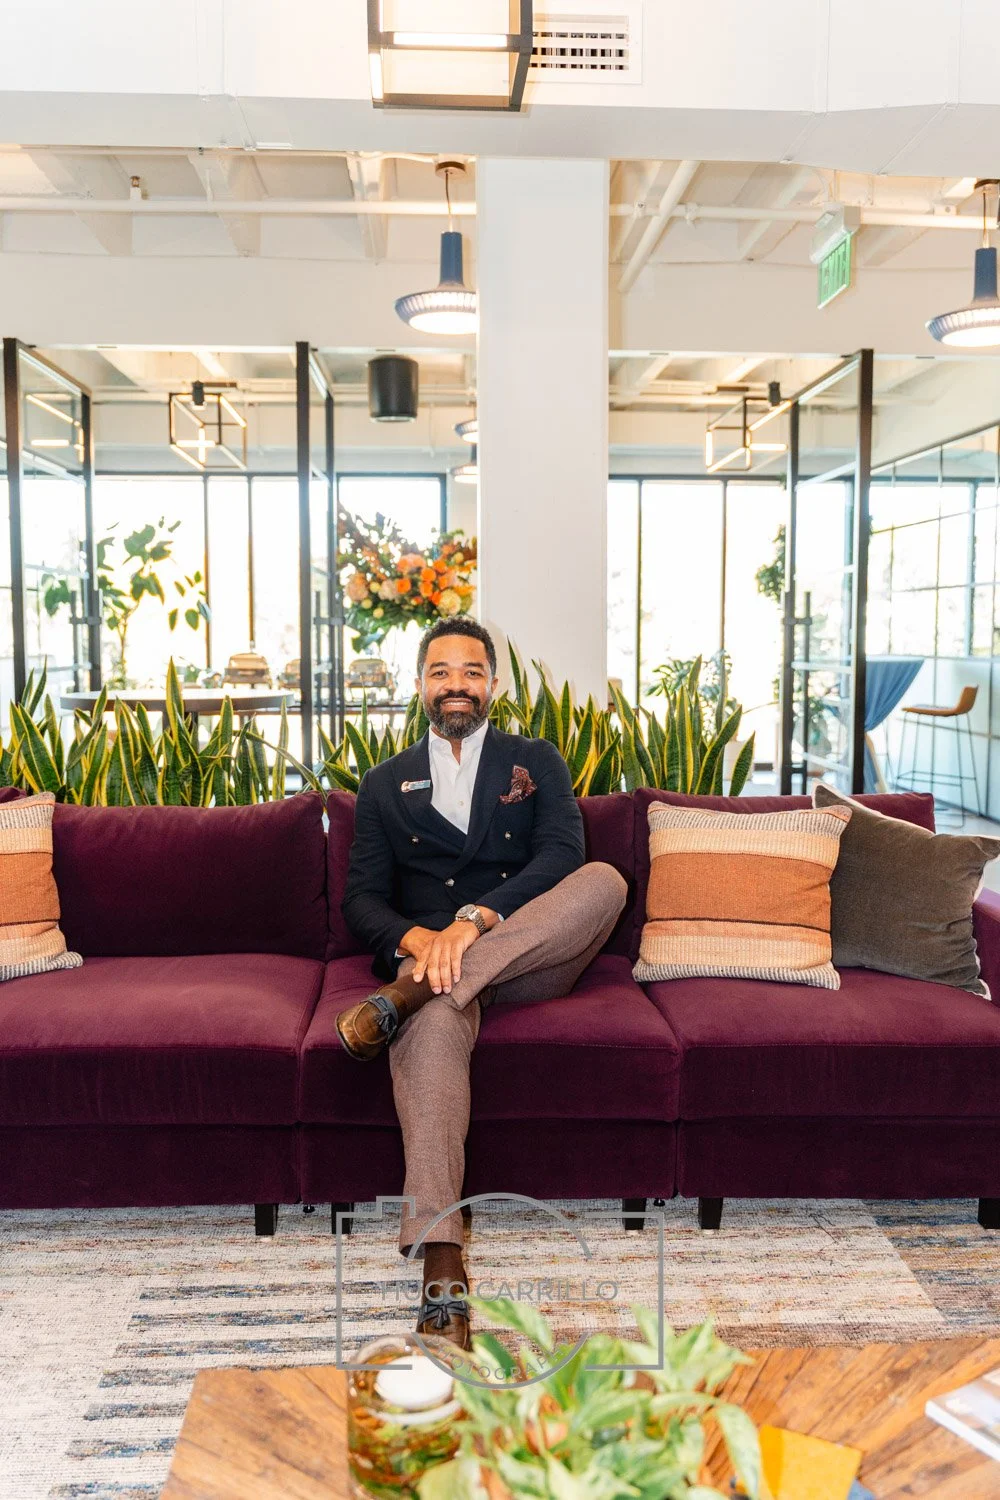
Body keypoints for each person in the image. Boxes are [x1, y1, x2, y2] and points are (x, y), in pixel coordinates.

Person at [338, 618, 628, 1349]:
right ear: (420, 687)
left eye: (472, 671)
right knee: (432, 1036)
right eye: (441, 672)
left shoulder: (537, 760)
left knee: (605, 879)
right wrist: (420, 945)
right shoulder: (381, 784)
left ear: (493, 685)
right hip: (433, 967)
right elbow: (363, 901)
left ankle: (404, 999)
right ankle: (443, 1268)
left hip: (527, 956)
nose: (457, 684)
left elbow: (564, 855)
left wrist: (471, 924)